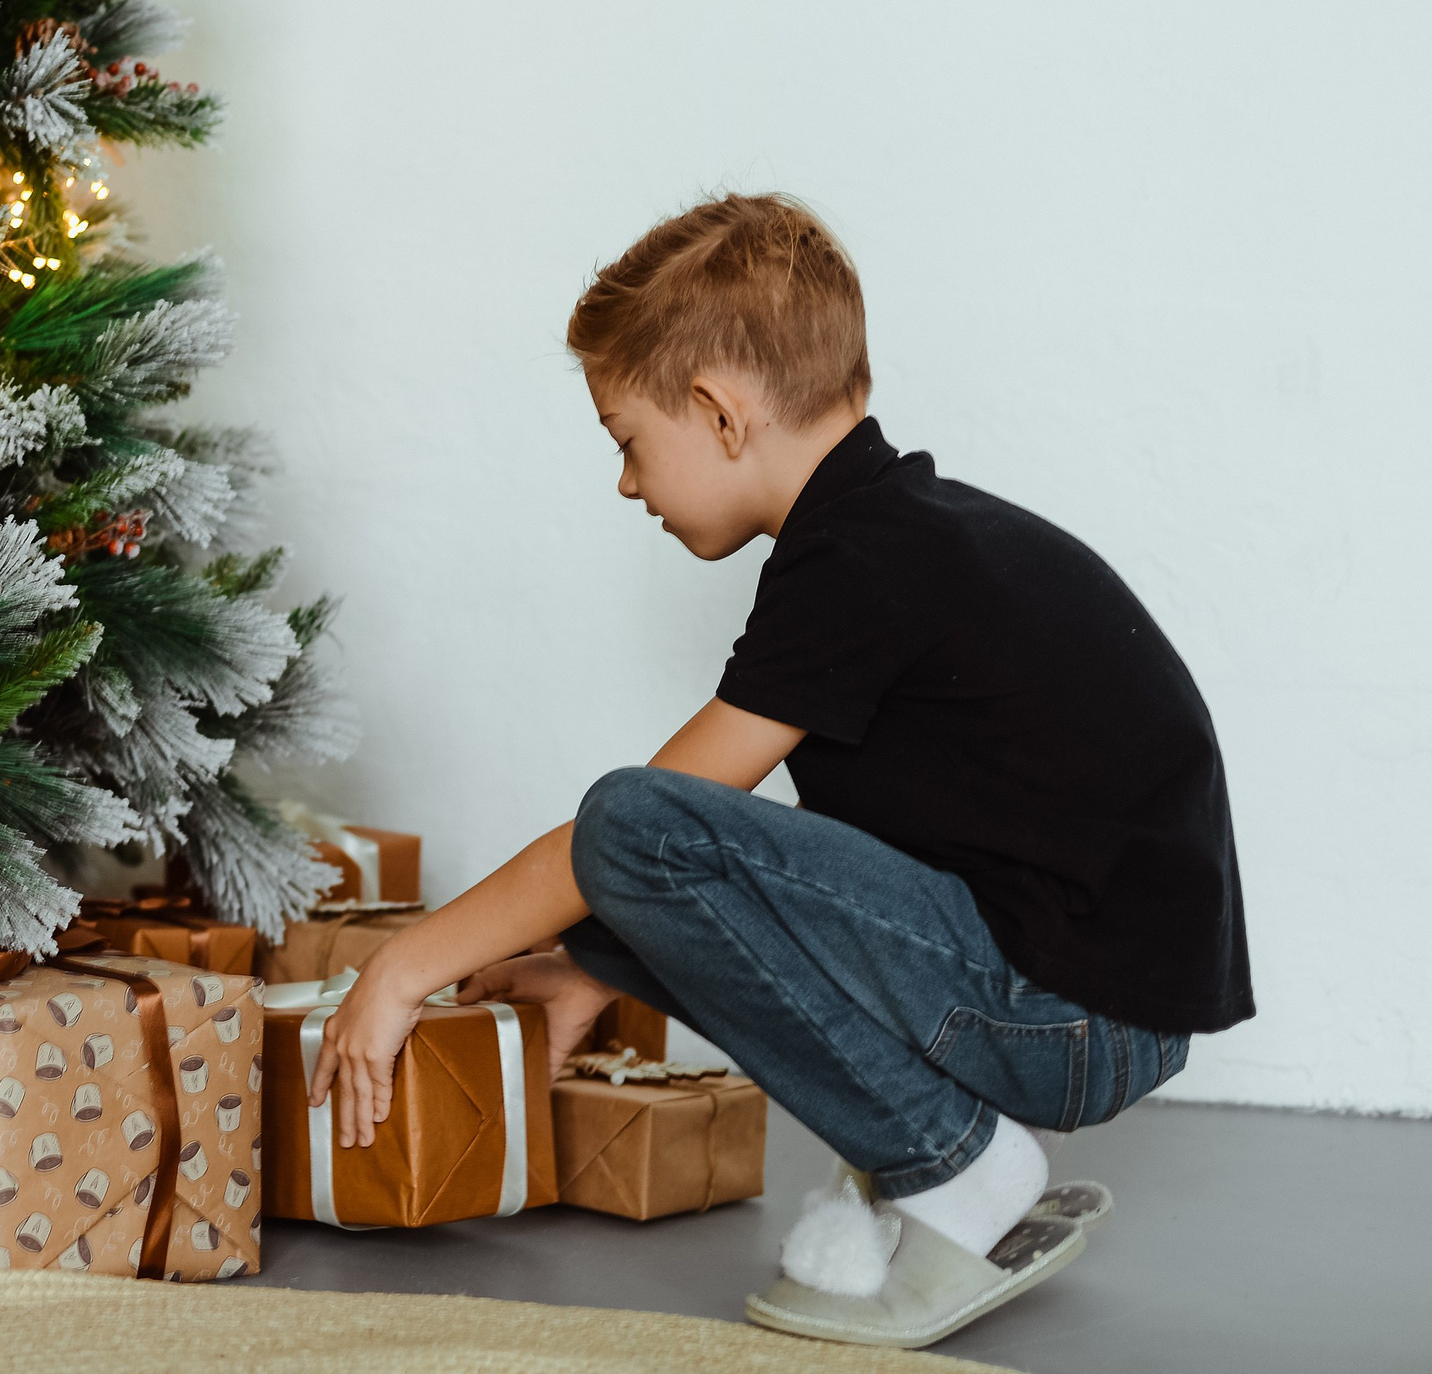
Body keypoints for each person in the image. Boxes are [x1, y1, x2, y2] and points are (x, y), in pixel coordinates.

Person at [305, 193, 1251, 1351]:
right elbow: (785, 883)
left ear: (716, 411)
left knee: (632, 820)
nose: (625, 483)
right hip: (1087, 996)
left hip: (1068, 1015)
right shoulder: (889, 532)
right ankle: (956, 1153)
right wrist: (597, 966)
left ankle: (957, 1169)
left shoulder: (858, 561)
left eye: (626, 441)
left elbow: (656, 829)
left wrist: (406, 965)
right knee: (666, 840)